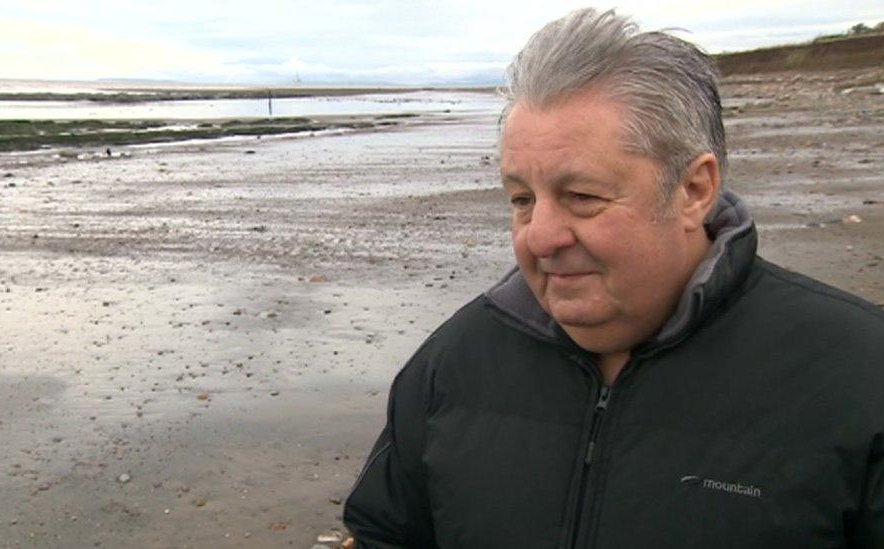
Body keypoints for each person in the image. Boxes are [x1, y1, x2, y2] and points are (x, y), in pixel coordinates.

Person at [343, 8, 884, 549]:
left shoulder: (858, 373)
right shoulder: (452, 364)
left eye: (582, 197)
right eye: (522, 199)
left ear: (694, 190)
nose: (539, 237)